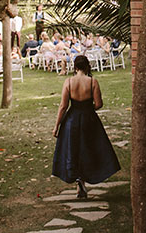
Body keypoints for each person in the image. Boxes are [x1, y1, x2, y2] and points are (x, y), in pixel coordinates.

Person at [51, 55, 120, 198]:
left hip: (71, 120)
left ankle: (78, 181)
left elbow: (63, 106)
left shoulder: (69, 82)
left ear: (75, 67)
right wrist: (88, 109)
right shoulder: (92, 82)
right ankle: (84, 180)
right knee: (88, 150)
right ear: (87, 66)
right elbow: (99, 103)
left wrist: (56, 126)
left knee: (74, 150)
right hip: (89, 119)